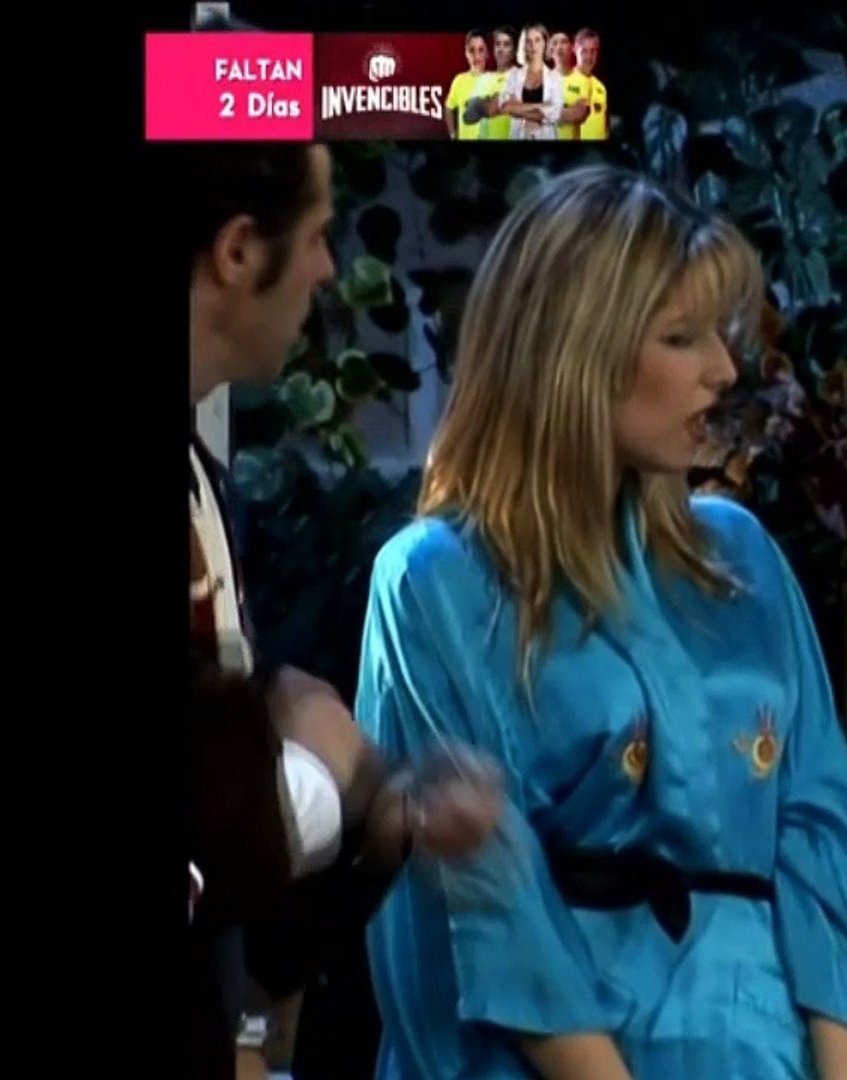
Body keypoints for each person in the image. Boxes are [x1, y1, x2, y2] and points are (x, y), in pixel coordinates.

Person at [357, 164, 847, 1080]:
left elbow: (817, 831)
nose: (723, 370)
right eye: (681, 338)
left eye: (718, 335)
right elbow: (491, 908)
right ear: (576, 355)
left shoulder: (743, 558)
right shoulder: (436, 582)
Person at [185, 143, 504, 1080]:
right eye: (321, 234)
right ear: (239, 250)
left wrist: (377, 829)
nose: (330, 268)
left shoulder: (203, 484)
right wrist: (313, 775)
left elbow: (238, 916)